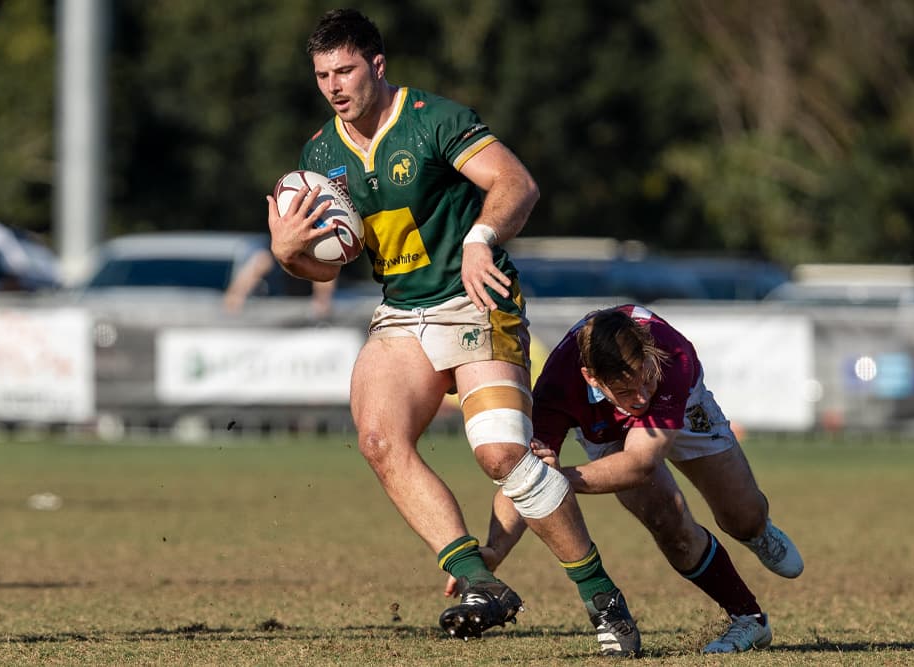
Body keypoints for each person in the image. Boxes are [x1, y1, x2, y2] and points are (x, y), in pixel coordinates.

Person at [266, 9, 640, 656]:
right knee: (380, 439)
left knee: (500, 455)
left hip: (475, 302)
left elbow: (516, 183)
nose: (333, 85)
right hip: (402, 313)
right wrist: (287, 252)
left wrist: (480, 238)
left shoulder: (436, 119)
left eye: (345, 70)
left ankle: (603, 597)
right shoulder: (321, 155)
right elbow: (336, 255)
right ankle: (477, 579)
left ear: (377, 66)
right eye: (323, 74)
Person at [447, 304, 804, 654]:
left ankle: (757, 533)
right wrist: (496, 549)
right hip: (607, 432)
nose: (641, 397)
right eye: (626, 390)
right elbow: (520, 475)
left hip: (680, 407)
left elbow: (639, 463)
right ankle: (749, 619)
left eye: (644, 380)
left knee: (742, 516)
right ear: (591, 378)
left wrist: (556, 480)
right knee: (668, 521)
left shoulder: (669, 355)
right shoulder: (558, 387)